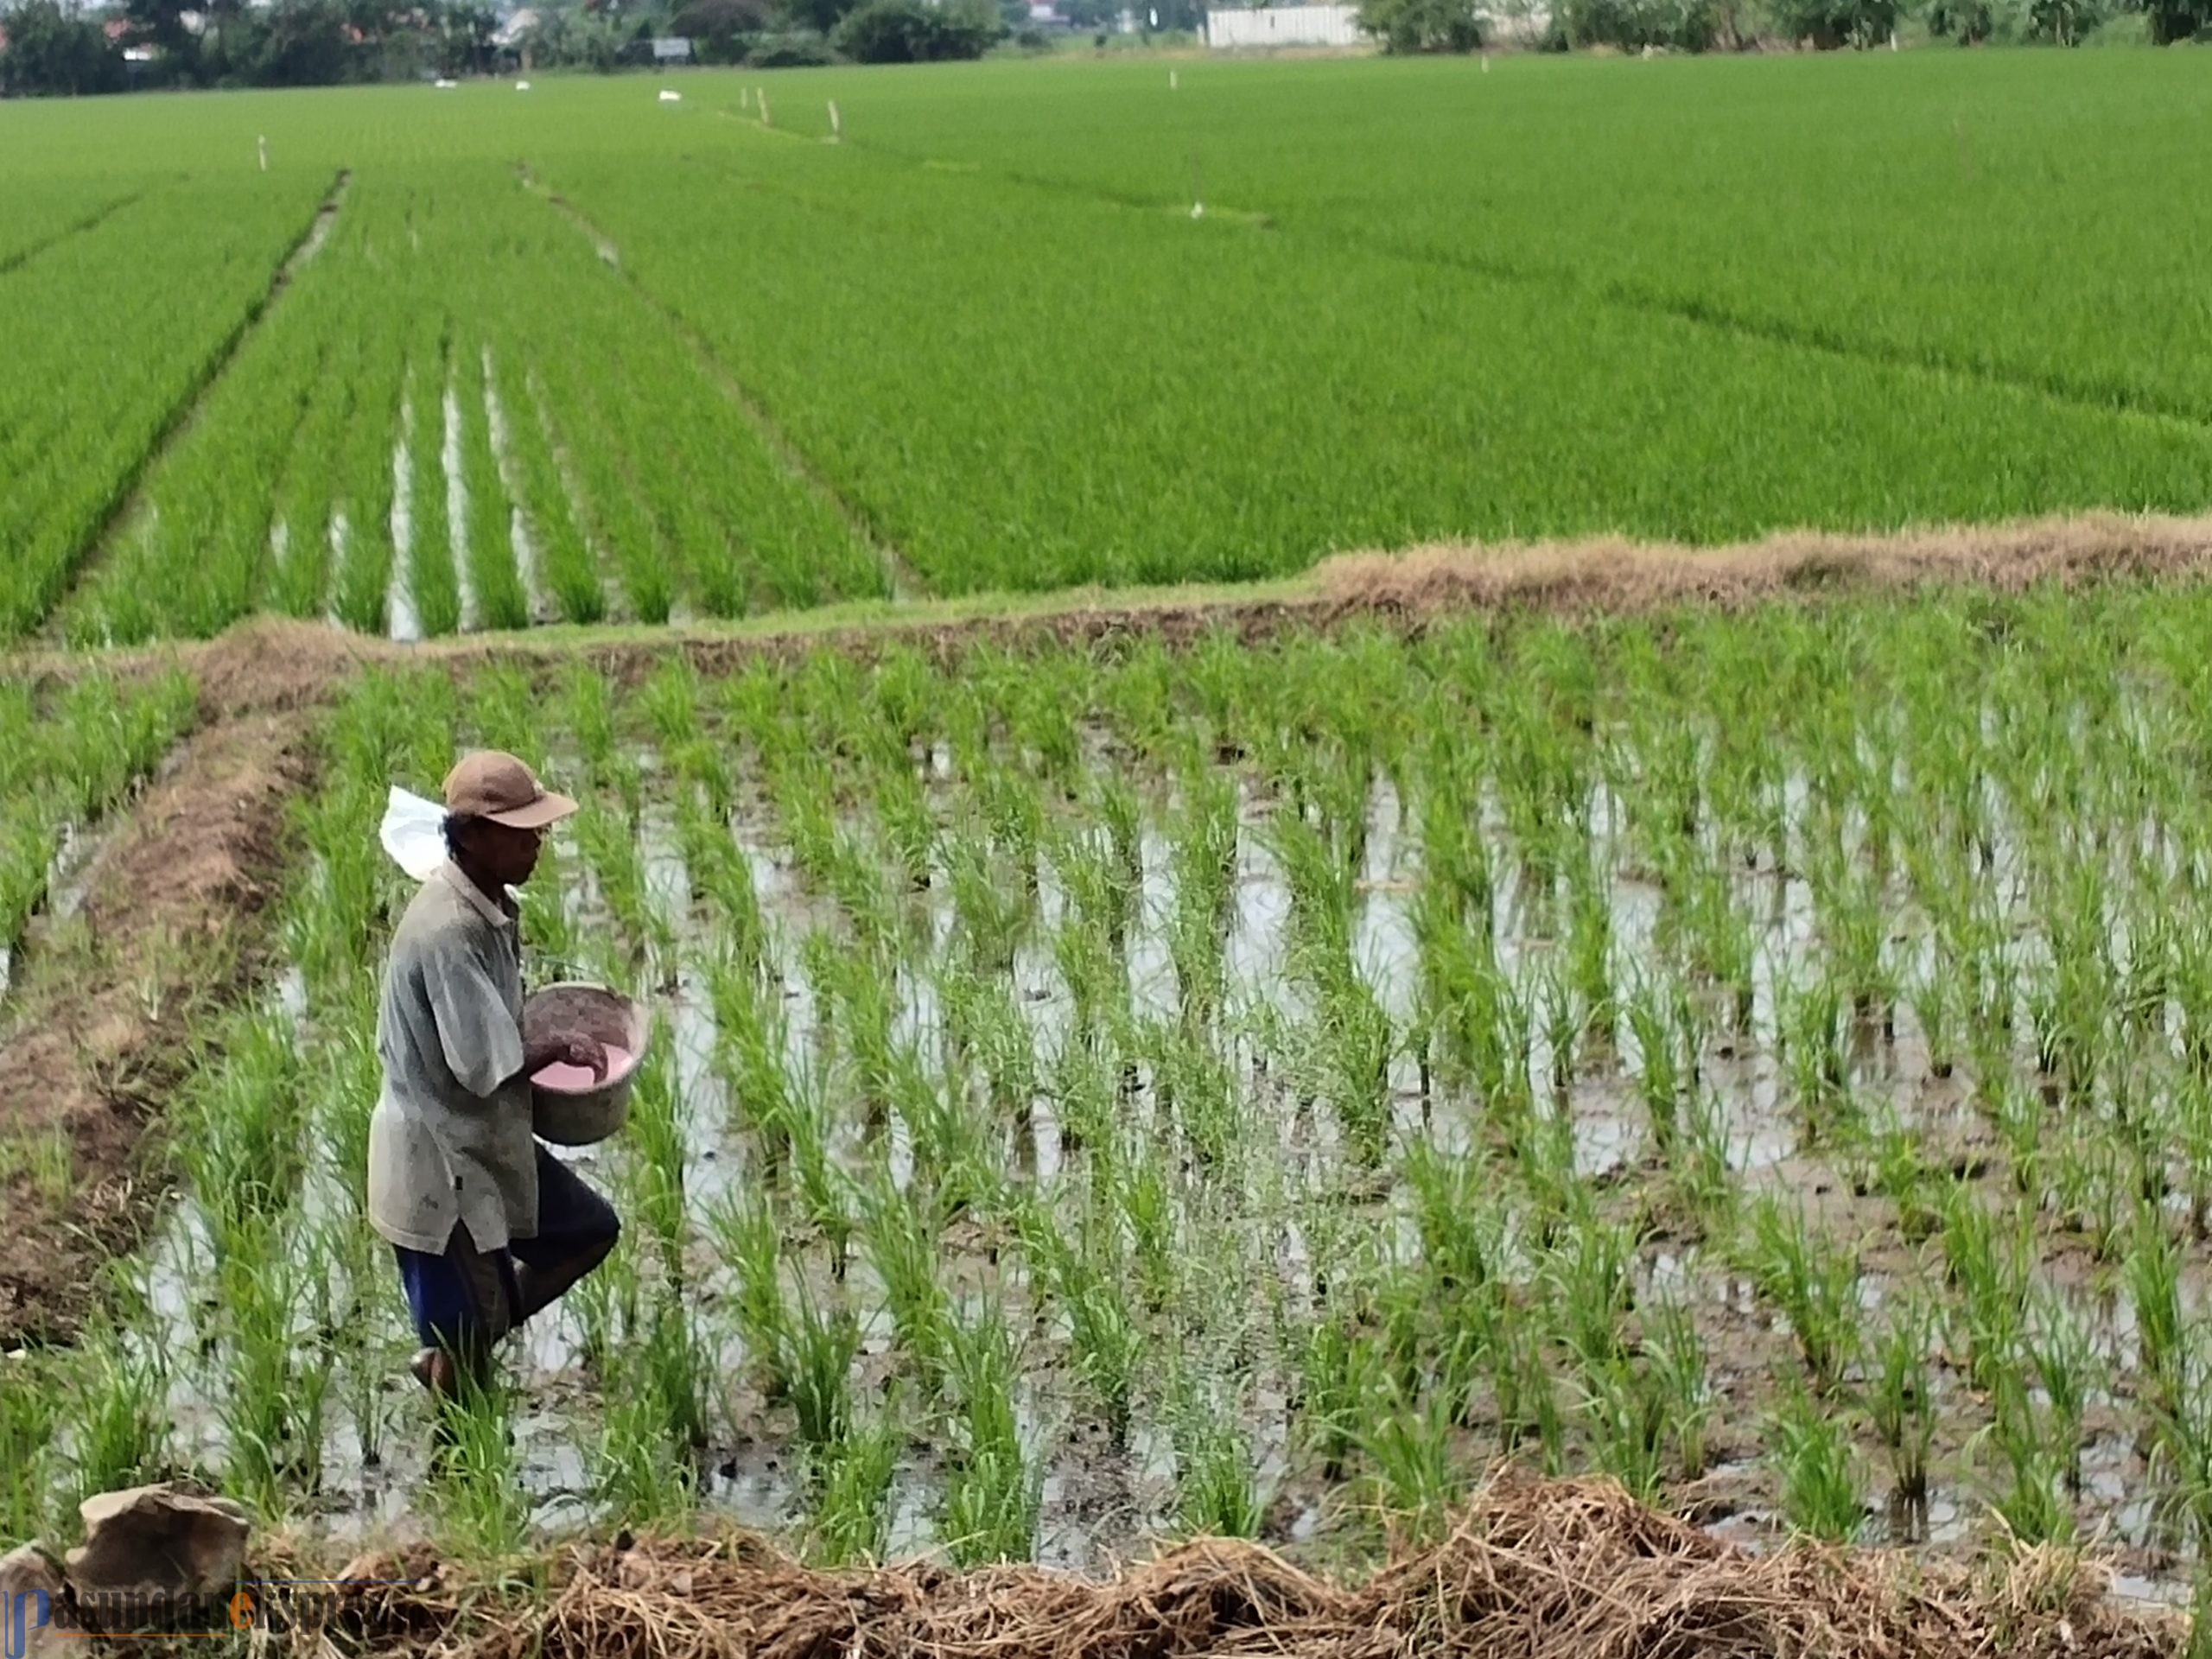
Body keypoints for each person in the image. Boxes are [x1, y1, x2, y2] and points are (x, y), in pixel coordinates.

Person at [367, 750, 620, 1399]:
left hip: (483, 1138)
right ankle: (460, 1461)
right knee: (465, 1333)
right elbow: (483, 1064)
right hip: (442, 1157)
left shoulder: (488, 905)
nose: (538, 843)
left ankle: (451, 1360)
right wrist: (558, 1045)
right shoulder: (448, 930)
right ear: (474, 836)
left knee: (589, 1230)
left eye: (539, 829)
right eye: (523, 832)